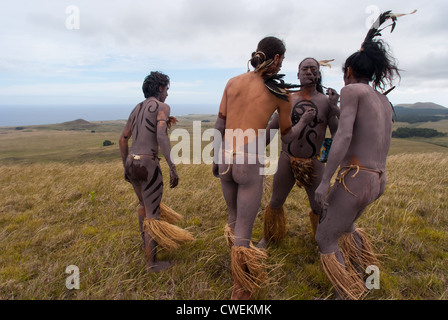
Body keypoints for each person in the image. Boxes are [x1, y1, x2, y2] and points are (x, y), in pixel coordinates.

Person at [314, 10, 412, 299]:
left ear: (348, 72)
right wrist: (334, 108)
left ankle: (347, 294)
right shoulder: (382, 100)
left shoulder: (353, 91)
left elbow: (343, 136)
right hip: (377, 179)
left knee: (325, 236)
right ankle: (367, 281)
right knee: (349, 227)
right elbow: (356, 131)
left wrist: (324, 181)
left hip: (354, 179)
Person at [212, 36, 313, 300]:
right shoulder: (280, 93)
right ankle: (240, 292)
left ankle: (237, 270)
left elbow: (219, 126)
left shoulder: (232, 82)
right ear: (277, 58)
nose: (281, 67)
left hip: (225, 159)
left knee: (233, 220)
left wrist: (215, 158)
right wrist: (303, 122)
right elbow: (288, 136)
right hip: (248, 162)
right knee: (244, 229)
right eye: (283, 60)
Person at [258, 57, 340, 248]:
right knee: (276, 200)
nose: (309, 72)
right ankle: (270, 236)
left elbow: (337, 133)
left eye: (313, 69)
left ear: (318, 74)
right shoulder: (287, 98)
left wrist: (324, 157)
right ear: (298, 74)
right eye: (305, 69)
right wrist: (255, 148)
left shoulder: (327, 103)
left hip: (314, 160)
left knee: (318, 206)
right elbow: (272, 127)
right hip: (287, 158)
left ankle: (323, 240)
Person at [119, 71, 193, 273]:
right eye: (167, 89)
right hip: (148, 164)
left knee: (143, 206)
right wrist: (172, 166)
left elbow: (123, 138)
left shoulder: (136, 109)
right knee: (153, 214)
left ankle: (147, 247)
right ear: (160, 88)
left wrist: (125, 165)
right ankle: (152, 264)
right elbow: (161, 135)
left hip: (131, 162)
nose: (168, 94)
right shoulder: (162, 107)